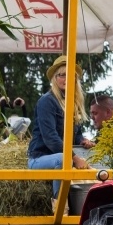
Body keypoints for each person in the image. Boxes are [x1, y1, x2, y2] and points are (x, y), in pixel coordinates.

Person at [27, 55, 90, 206]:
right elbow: (50, 138)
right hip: (39, 158)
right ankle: (60, 208)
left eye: (71, 75)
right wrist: (75, 158)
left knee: (88, 157)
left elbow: (76, 133)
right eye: (62, 75)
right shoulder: (46, 101)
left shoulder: (73, 103)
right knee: (64, 159)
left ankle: (82, 206)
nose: (66, 79)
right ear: (55, 78)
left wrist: (82, 140)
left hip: (60, 157)